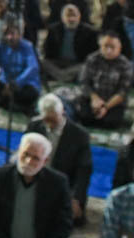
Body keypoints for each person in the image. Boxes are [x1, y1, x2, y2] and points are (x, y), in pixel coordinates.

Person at [27, 93, 92, 223]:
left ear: (62, 113)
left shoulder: (79, 135)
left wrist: (76, 198)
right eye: (46, 120)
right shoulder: (34, 126)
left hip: (64, 186)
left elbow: (84, 171)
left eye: (53, 120)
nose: (49, 124)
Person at [0, 16, 41, 114]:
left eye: (12, 34)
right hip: (4, 83)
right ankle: (8, 102)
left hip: (22, 84)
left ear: (19, 34)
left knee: (32, 93)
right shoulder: (0, 46)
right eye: (7, 34)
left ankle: (2, 101)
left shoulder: (28, 46)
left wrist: (16, 83)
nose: (9, 37)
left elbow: (33, 68)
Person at [71, 31, 132, 128]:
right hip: (92, 98)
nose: (109, 50)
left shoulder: (125, 64)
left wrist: (105, 107)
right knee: (85, 119)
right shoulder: (92, 59)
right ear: (100, 46)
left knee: (111, 122)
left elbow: (123, 91)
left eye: (112, 47)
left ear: (119, 48)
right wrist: (95, 99)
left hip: (113, 102)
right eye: (105, 46)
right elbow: (84, 82)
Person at [40, 3, 98, 82]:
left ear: (79, 16)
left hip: (77, 64)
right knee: (42, 62)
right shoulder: (53, 29)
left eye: (74, 15)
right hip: (58, 63)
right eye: (68, 16)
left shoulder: (90, 31)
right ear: (62, 17)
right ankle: (65, 77)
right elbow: (47, 50)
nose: (71, 19)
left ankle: (61, 77)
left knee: (85, 67)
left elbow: (93, 55)